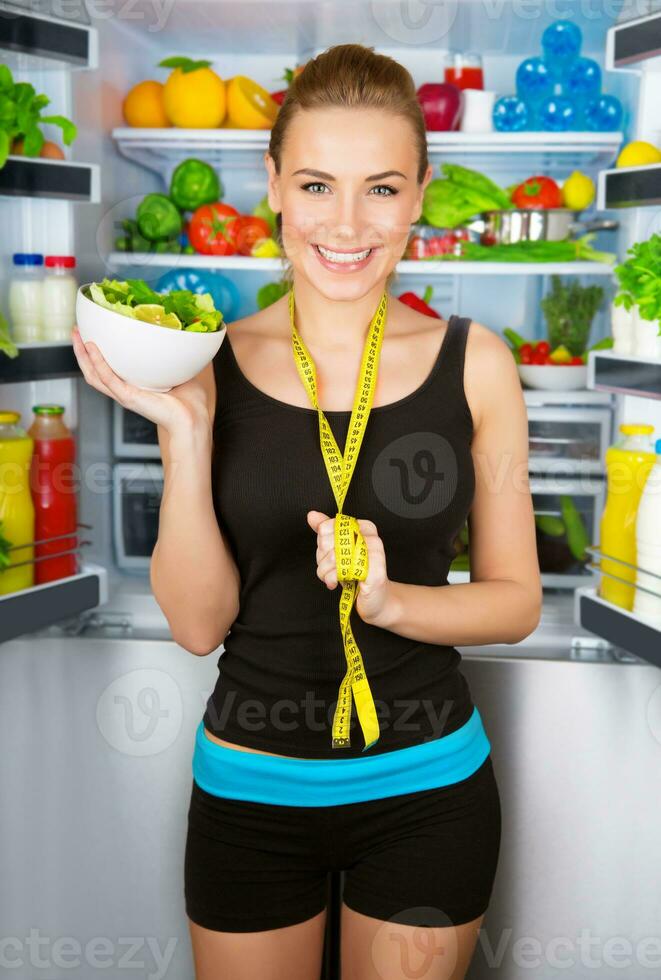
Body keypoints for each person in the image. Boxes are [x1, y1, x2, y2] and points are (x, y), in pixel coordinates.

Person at [73, 42, 542, 980]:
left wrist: (391, 600)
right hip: (250, 791)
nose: (347, 223)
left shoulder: (476, 362)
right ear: (275, 186)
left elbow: (513, 600)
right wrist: (186, 432)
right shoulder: (205, 362)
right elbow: (198, 626)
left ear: (418, 195)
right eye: (318, 185)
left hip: (428, 788)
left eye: (381, 188)